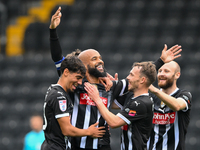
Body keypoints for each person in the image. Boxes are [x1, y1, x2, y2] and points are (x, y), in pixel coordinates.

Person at [49, 7, 182, 150]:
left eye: (101, 58)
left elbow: (141, 77)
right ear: (84, 66)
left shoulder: (112, 86)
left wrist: (161, 61)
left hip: (102, 145)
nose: (101, 61)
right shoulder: (76, 84)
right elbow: (58, 59)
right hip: (77, 145)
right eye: (95, 59)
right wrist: (53, 31)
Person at [84, 61, 157, 150]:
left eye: (132, 75)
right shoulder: (132, 97)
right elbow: (110, 104)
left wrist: (97, 99)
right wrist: (114, 89)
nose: (128, 77)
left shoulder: (141, 103)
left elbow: (114, 122)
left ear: (142, 80)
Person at [41, 56, 106, 150]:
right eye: (78, 77)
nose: (80, 82)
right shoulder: (59, 96)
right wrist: (88, 131)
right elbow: (66, 130)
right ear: (66, 72)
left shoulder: (55, 90)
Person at [147, 61, 192, 150]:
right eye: (159, 71)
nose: (161, 74)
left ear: (177, 75)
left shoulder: (184, 94)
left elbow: (177, 106)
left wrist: (155, 91)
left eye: (166, 71)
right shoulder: (150, 97)